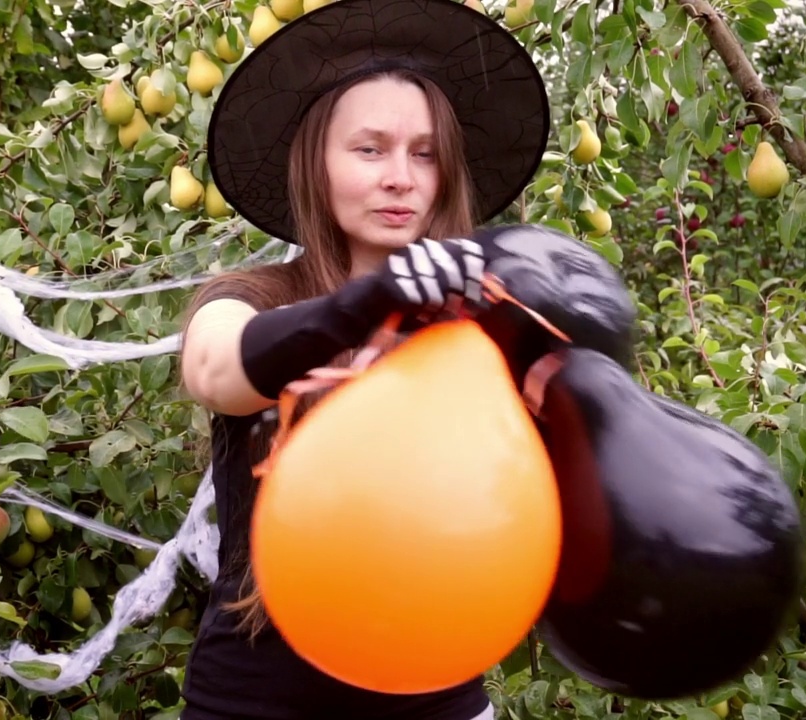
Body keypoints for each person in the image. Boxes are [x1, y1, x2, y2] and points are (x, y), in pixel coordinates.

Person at [176, 0, 552, 717]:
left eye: (425, 153)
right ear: (316, 162)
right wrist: (363, 304)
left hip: (437, 696)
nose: (401, 178)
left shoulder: (491, 322)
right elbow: (215, 371)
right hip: (256, 700)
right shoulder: (255, 296)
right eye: (370, 149)